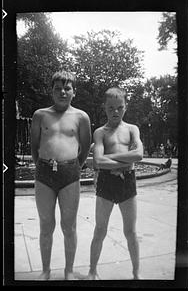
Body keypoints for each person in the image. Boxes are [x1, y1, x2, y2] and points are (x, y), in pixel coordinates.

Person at [30, 70, 91, 280]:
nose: (62, 92)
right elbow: (34, 148)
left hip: (70, 175)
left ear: (74, 91)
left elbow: (84, 148)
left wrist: (72, 167)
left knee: (69, 226)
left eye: (67, 88)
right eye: (58, 88)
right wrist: (44, 167)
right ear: (52, 91)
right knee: (46, 225)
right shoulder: (40, 115)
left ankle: (69, 271)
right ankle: (46, 270)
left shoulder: (81, 117)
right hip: (44, 173)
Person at [86, 87, 143, 280]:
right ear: (105, 108)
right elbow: (98, 162)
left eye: (119, 107)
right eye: (111, 108)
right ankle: (92, 272)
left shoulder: (132, 129)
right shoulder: (100, 132)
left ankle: (136, 274)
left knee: (131, 231)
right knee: (100, 230)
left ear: (125, 107)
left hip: (127, 183)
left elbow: (139, 155)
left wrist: (110, 158)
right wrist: (126, 161)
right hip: (106, 183)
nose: (115, 111)